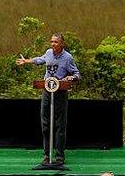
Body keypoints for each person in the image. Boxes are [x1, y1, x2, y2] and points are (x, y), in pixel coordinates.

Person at [16, 32, 80, 164]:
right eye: (51, 42)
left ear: (62, 43)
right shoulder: (49, 52)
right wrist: (26, 61)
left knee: (60, 125)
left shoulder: (68, 57)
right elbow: (40, 59)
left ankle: (59, 156)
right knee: (45, 125)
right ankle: (46, 155)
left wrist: (71, 78)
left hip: (60, 93)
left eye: (55, 42)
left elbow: (77, 74)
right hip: (46, 91)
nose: (53, 44)